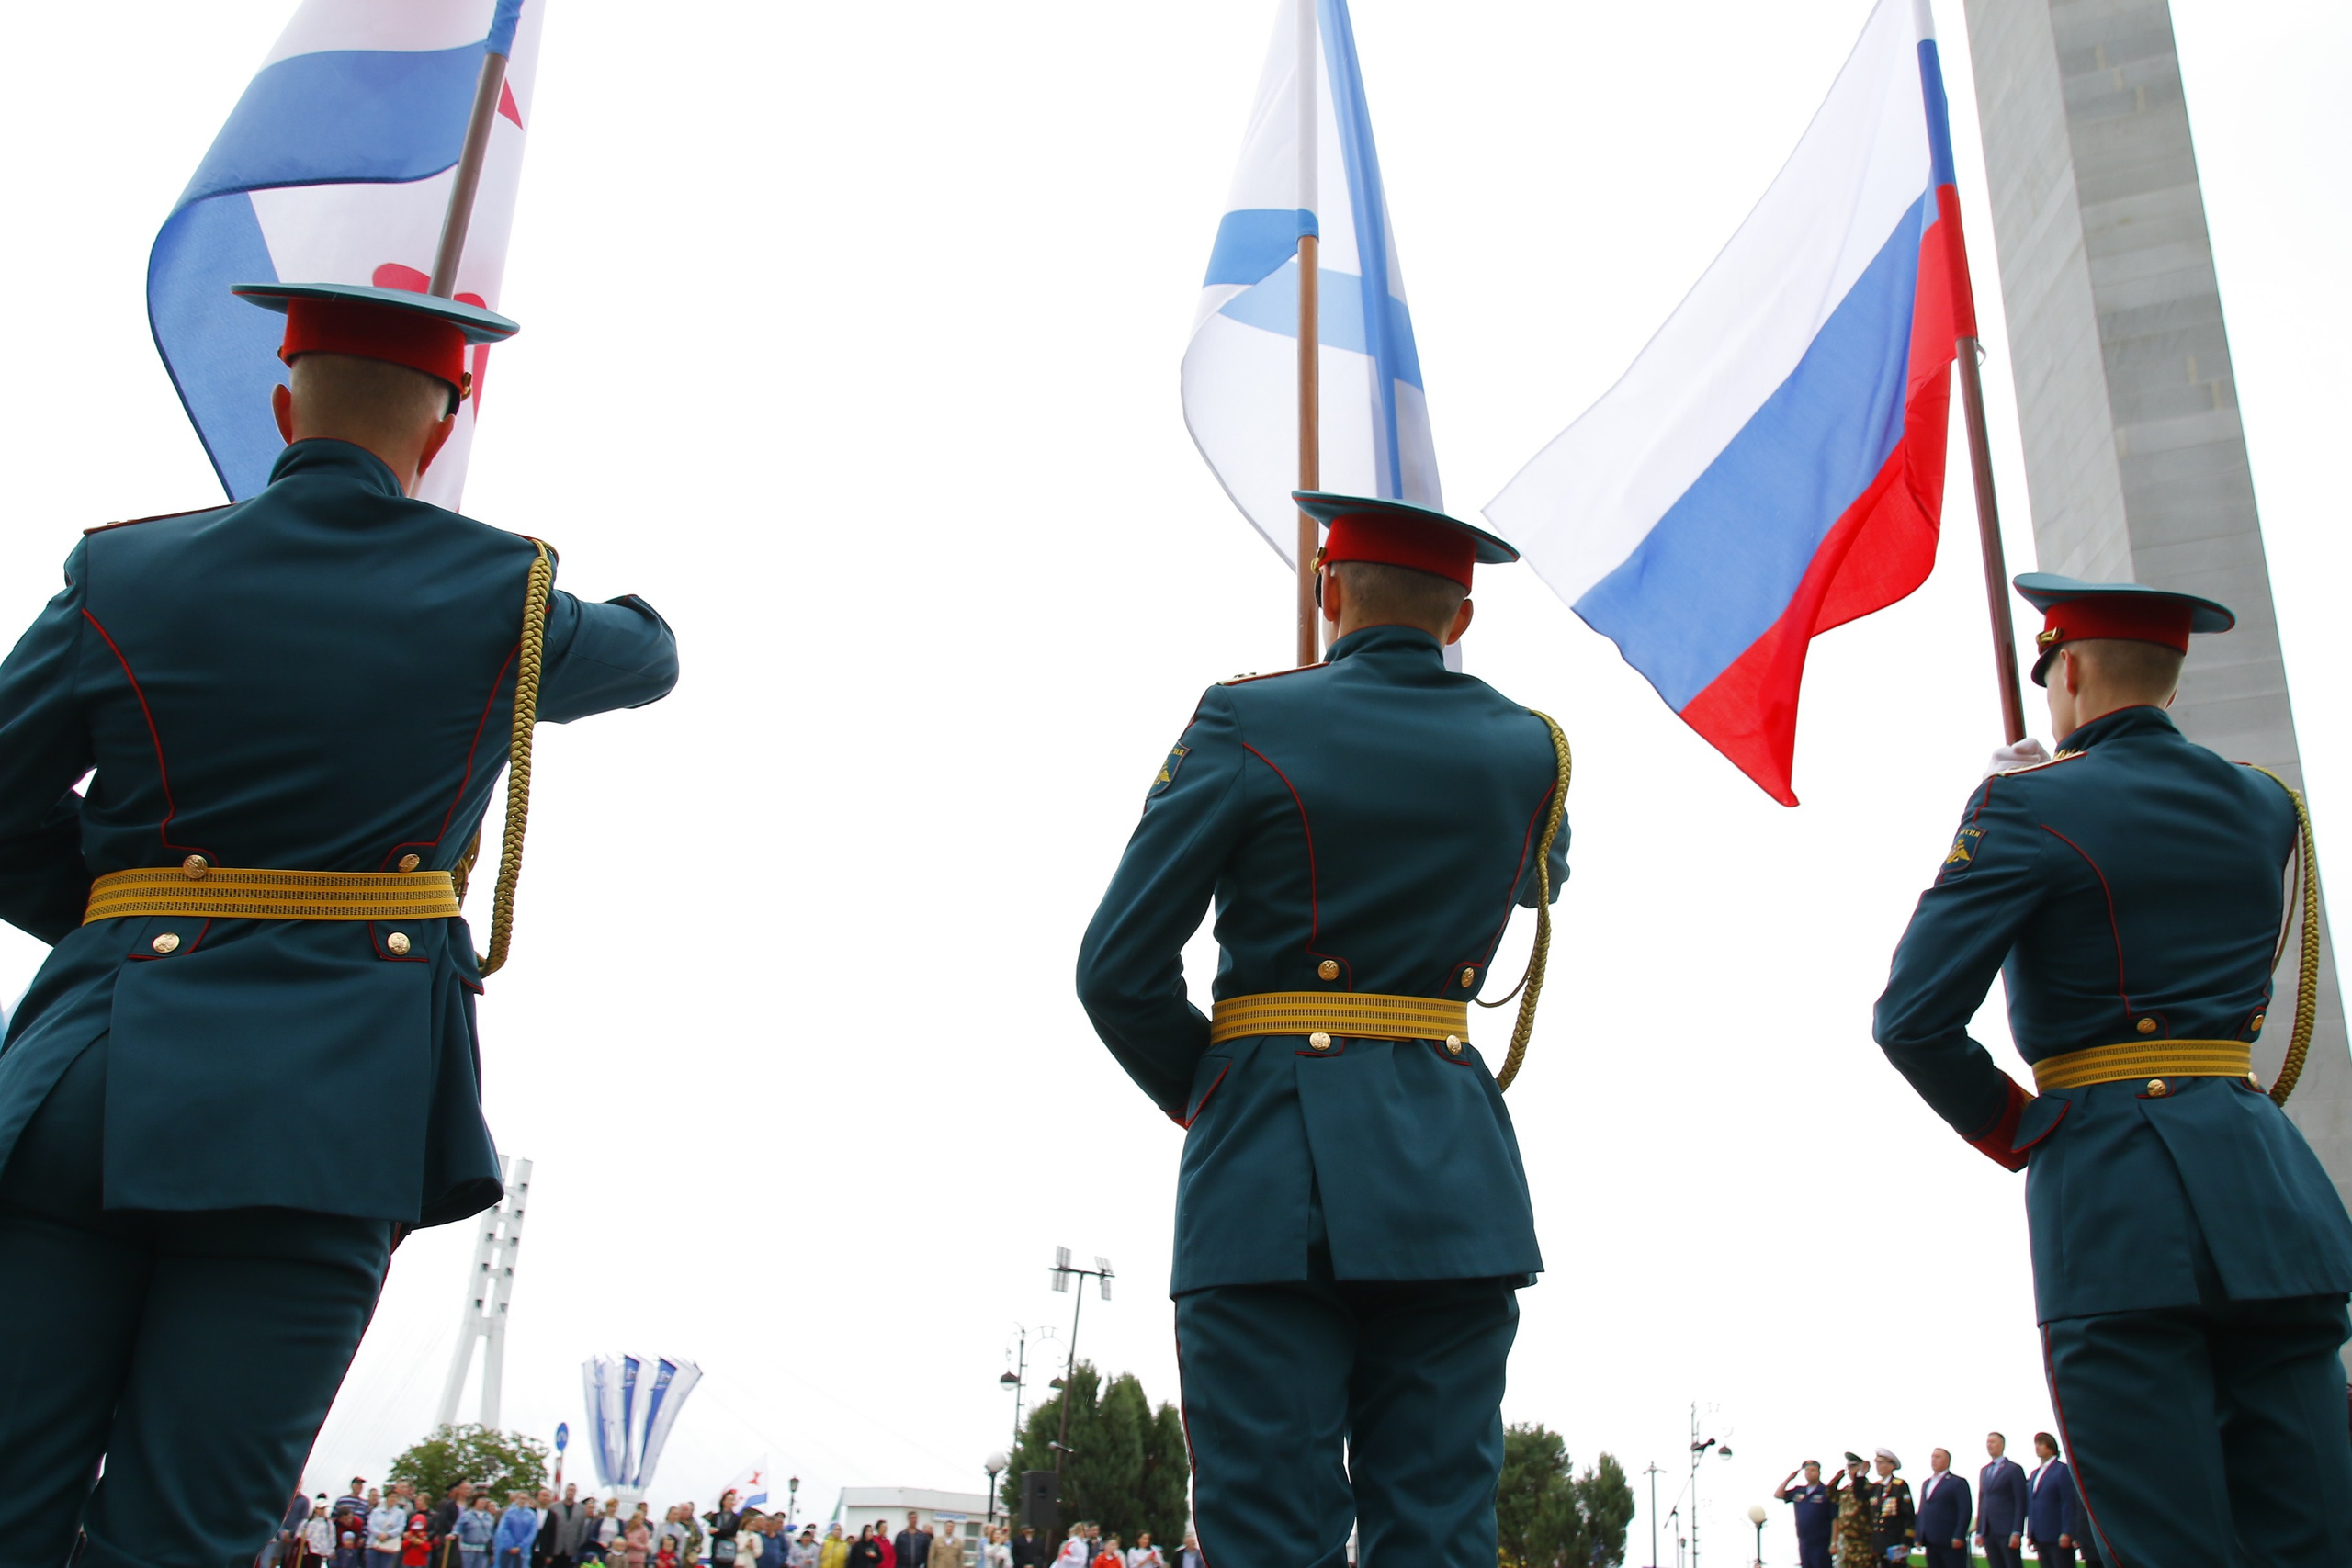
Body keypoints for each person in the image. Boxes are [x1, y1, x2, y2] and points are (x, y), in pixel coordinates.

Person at [0, 276, 678, 1567]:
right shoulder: (509, 595)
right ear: (446, 424)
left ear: (278, 404)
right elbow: (651, 654)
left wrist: (114, 913)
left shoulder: (121, 569)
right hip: (325, 1104)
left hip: (91, 1067)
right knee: (186, 1532)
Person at [1075, 493, 1567, 1568]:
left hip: (1264, 1167)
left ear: (1327, 590)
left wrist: (1213, 1094)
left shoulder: (1246, 719)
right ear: (1461, 619)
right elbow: (1542, 880)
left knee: (1272, 1533)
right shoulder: (1531, 749)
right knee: (1439, 1535)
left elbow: (1115, 971)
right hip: (1452, 1171)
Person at [1873, 573, 2352, 1565]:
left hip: (2113, 1195)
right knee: (2312, 1530)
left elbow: (1912, 1019)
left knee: (2163, 1539)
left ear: (2072, 671)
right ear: (2171, 686)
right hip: (2268, 1191)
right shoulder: (2266, 804)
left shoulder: (2022, 804)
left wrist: (2023, 1129)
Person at [1974, 1433, 2026, 1568]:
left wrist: (2017, 1531)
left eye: (1993, 1442)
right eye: (1988, 1442)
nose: (1989, 1445)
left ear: (2002, 1445)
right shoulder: (1984, 1471)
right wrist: (1980, 1530)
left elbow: (2020, 1501)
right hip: (1989, 1530)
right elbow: (1982, 1501)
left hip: (2006, 1530)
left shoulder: (2013, 1469)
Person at [2026, 1434, 2075, 1568]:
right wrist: (2031, 1531)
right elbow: (2031, 1504)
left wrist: (2066, 1531)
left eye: (2041, 1444)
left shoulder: (2061, 1470)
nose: (2037, 1447)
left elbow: (2067, 1502)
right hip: (2040, 1534)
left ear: (2051, 1447)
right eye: (2036, 1444)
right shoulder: (2035, 1474)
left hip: (2056, 1534)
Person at [1914, 1449, 1969, 1568]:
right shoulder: (1927, 1483)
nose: (1934, 1460)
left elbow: (1965, 1511)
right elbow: (1922, 1510)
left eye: (1938, 1457)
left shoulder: (1957, 1483)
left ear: (1947, 1461)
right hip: (1931, 1540)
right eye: (1932, 1457)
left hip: (1949, 1540)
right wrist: (1918, 1535)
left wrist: (1959, 1535)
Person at [1773, 1460, 1835, 1568]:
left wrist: (1834, 1542)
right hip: (1804, 1541)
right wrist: (1789, 1478)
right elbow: (1778, 1495)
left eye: (1813, 1470)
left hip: (1821, 1542)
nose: (1809, 1473)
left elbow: (1835, 1518)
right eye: (1807, 1470)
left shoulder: (1826, 1492)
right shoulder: (1799, 1491)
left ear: (1819, 1472)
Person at [1828, 1455, 1875, 1568]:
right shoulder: (1846, 1490)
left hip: (1864, 1542)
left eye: (1853, 1467)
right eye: (1848, 1468)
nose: (1850, 1471)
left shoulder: (1870, 1489)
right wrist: (1836, 1479)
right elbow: (1830, 1495)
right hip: (1847, 1542)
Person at [1866, 1450, 1913, 1563]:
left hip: (1895, 1541)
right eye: (1877, 1463)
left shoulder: (1900, 1486)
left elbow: (1909, 1515)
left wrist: (1906, 1541)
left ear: (1891, 1466)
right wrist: (1861, 1475)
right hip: (1878, 1543)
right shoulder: (1876, 1487)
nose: (1878, 1466)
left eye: (1881, 1463)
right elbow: (1860, 1495)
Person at [370, 1496, 414, 1568]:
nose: (393, 1499)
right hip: (374, 1543)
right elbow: (371, 1525)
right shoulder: (376, 1511)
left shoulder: (400, 1513)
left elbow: (400, 1528)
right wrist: (379, 1534)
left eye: (395, 1497)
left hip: (390, 1544)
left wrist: (388, 1534)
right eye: (391, 1497)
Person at [499, 1493, 540, 1568]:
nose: (522, 1500)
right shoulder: (509, 1513)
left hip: (523, 1550)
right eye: (521, 1498)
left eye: (525, 1498)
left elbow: (532, 1532)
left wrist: (521, 1546)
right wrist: (510, 1545)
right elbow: (504, 1529)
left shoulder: (531, 1515)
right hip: (508, 1549)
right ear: (516, 1499)